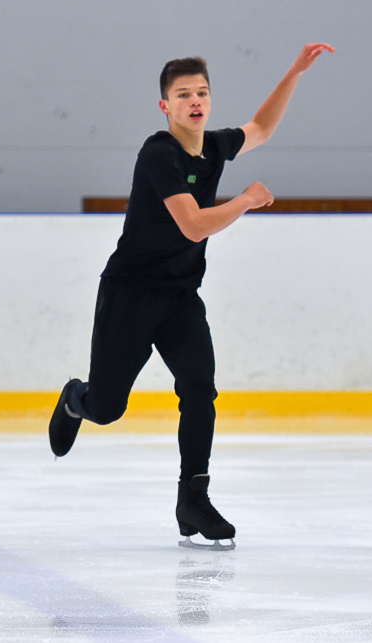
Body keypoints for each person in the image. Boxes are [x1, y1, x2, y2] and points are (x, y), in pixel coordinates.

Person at [49, 43, 335, 549]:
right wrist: (246, 200)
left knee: (200, 389)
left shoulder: (216, 146)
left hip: (180, 296)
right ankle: (76, 400)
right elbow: (194, 225)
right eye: (183, 95)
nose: (195, 101)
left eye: (201, 92)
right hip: (130, 295)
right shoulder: (158, 153)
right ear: (165, 106)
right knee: (108, 408)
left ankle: (193, 499)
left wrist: (294, 71)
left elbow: (260, 128)